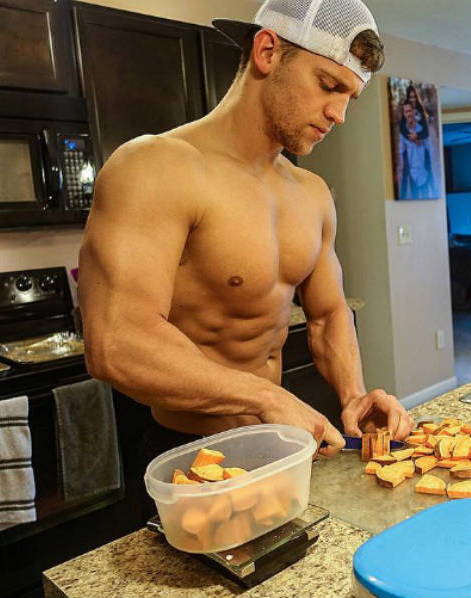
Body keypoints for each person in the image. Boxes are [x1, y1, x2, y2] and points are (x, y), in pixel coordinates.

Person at [78, 0, 414, 482]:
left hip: (283, 448)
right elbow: (116, 342)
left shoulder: (311, 193)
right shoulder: (156, 167)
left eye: (350, 97)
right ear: (267, 51)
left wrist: (354, 394)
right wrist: (266, 397)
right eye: (328, 85)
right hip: (192, 458)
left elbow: (328, 313)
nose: (339, 114)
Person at [397, 100, 435, 199]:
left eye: (410, 111)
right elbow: (400, 151)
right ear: (404, 114)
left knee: (428, 203)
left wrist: (420, 140)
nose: (408, 114)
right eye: (406, 112)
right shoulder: (403, 133)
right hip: (413, 175)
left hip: (424, 174)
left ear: (413, 111)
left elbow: (430, 149)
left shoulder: (421, 130)